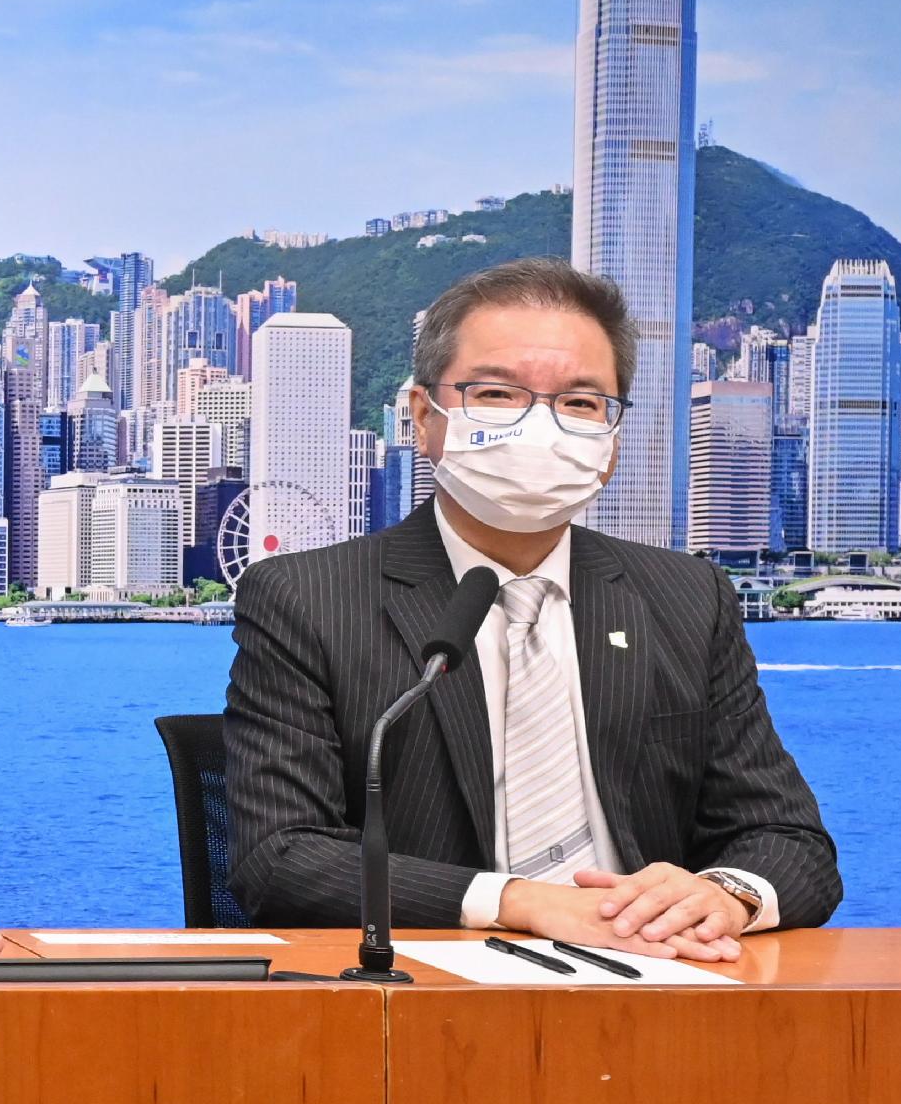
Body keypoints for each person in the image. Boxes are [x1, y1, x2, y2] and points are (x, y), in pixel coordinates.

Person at [226, 257, 836, 957]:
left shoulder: (686, 598)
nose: (540, 426)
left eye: (580, 403)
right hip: (427, 999)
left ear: (609, 446)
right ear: (424, 420)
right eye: (496, 393)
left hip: (657, 985)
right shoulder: (307, 599)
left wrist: (725, 894)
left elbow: (792, 842)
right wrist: (519, 903)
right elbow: (279, 857)